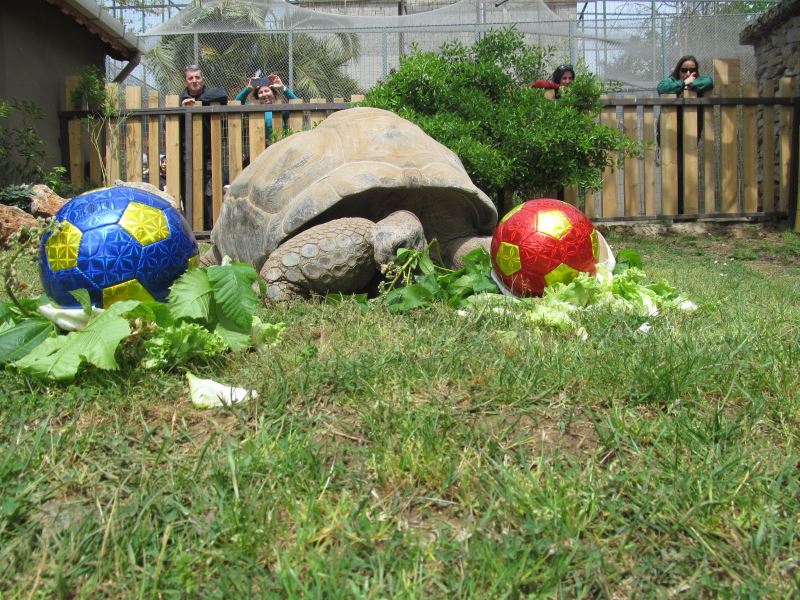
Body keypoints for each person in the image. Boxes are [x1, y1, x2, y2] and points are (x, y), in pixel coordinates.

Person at [656, 56, 713, 215]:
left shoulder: (700, 82)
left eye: (692, 69)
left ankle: (685, 209)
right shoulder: (672, 82)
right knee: (673, 170)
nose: (688, 72)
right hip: (669, 134)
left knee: (687, 171)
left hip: (690, 135)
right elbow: (662, 87)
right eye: (684, 70)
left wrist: (691, 83)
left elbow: (708, 81)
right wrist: (684, 84)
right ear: (678, 70)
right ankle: (673, 209)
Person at [178, 65, 228, 231]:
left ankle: (210, 226)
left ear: (202, 79)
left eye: (197, 77)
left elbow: (222, 93)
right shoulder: (180, 100)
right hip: (186, 155)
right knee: (189, 190)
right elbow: (167, 125)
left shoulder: (211, 94)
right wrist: (182, 108)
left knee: (210, 191)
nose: (194, 81)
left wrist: (198, 103)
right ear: (185, 82)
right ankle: (192, 226)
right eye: (191, 78)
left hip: (209, 153)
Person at [234, 73, 299, 141]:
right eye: (260, 92)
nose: (264, 94)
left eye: (266, 91)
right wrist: (248, 89)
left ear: (273, 94)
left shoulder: (281, 109)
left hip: (280, 146)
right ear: (258, 97)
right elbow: (237, 103)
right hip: (258, 146)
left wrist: (283, 88)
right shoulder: (253, 111)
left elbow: (297, 103)